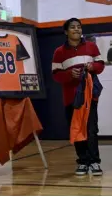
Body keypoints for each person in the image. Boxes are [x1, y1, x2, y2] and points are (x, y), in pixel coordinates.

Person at [52, 18, 105, 176]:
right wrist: (69, 74)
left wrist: (92, 66)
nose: (77, 30)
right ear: (66, 32)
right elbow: (55, 75)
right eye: (73, 27)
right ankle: (82, 161)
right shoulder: (59, 52)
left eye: (79, 27)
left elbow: (101, 65)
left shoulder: (91, 46)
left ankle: (94, 161)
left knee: (91, 129)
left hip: (90, 98)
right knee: (76, 129)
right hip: (71, 98)